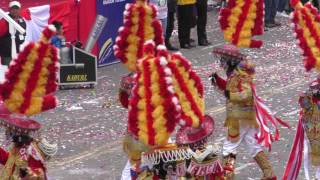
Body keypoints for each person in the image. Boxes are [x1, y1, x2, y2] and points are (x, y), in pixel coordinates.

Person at [210, 45, 288, 179]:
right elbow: (230, 89)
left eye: (224, 59)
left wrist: (229, 94)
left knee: (229, 147)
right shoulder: (235, 73)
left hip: (238, 116)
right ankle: (269, 173)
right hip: (245, 116)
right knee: (252, 144)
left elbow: (245, 95)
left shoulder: (240, 74)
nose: (221, 62)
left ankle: (227, 176)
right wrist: (217, 81)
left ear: (231, 61)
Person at [0, 1, 26, 65]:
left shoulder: (22, 20)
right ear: (9, 10)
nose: (15, 10)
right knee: (6, 72)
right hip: (7, 55)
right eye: (13, 8)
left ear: (20, 10)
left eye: (17, 8)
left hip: (19, 53)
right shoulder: (4, 21)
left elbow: (23, 35)